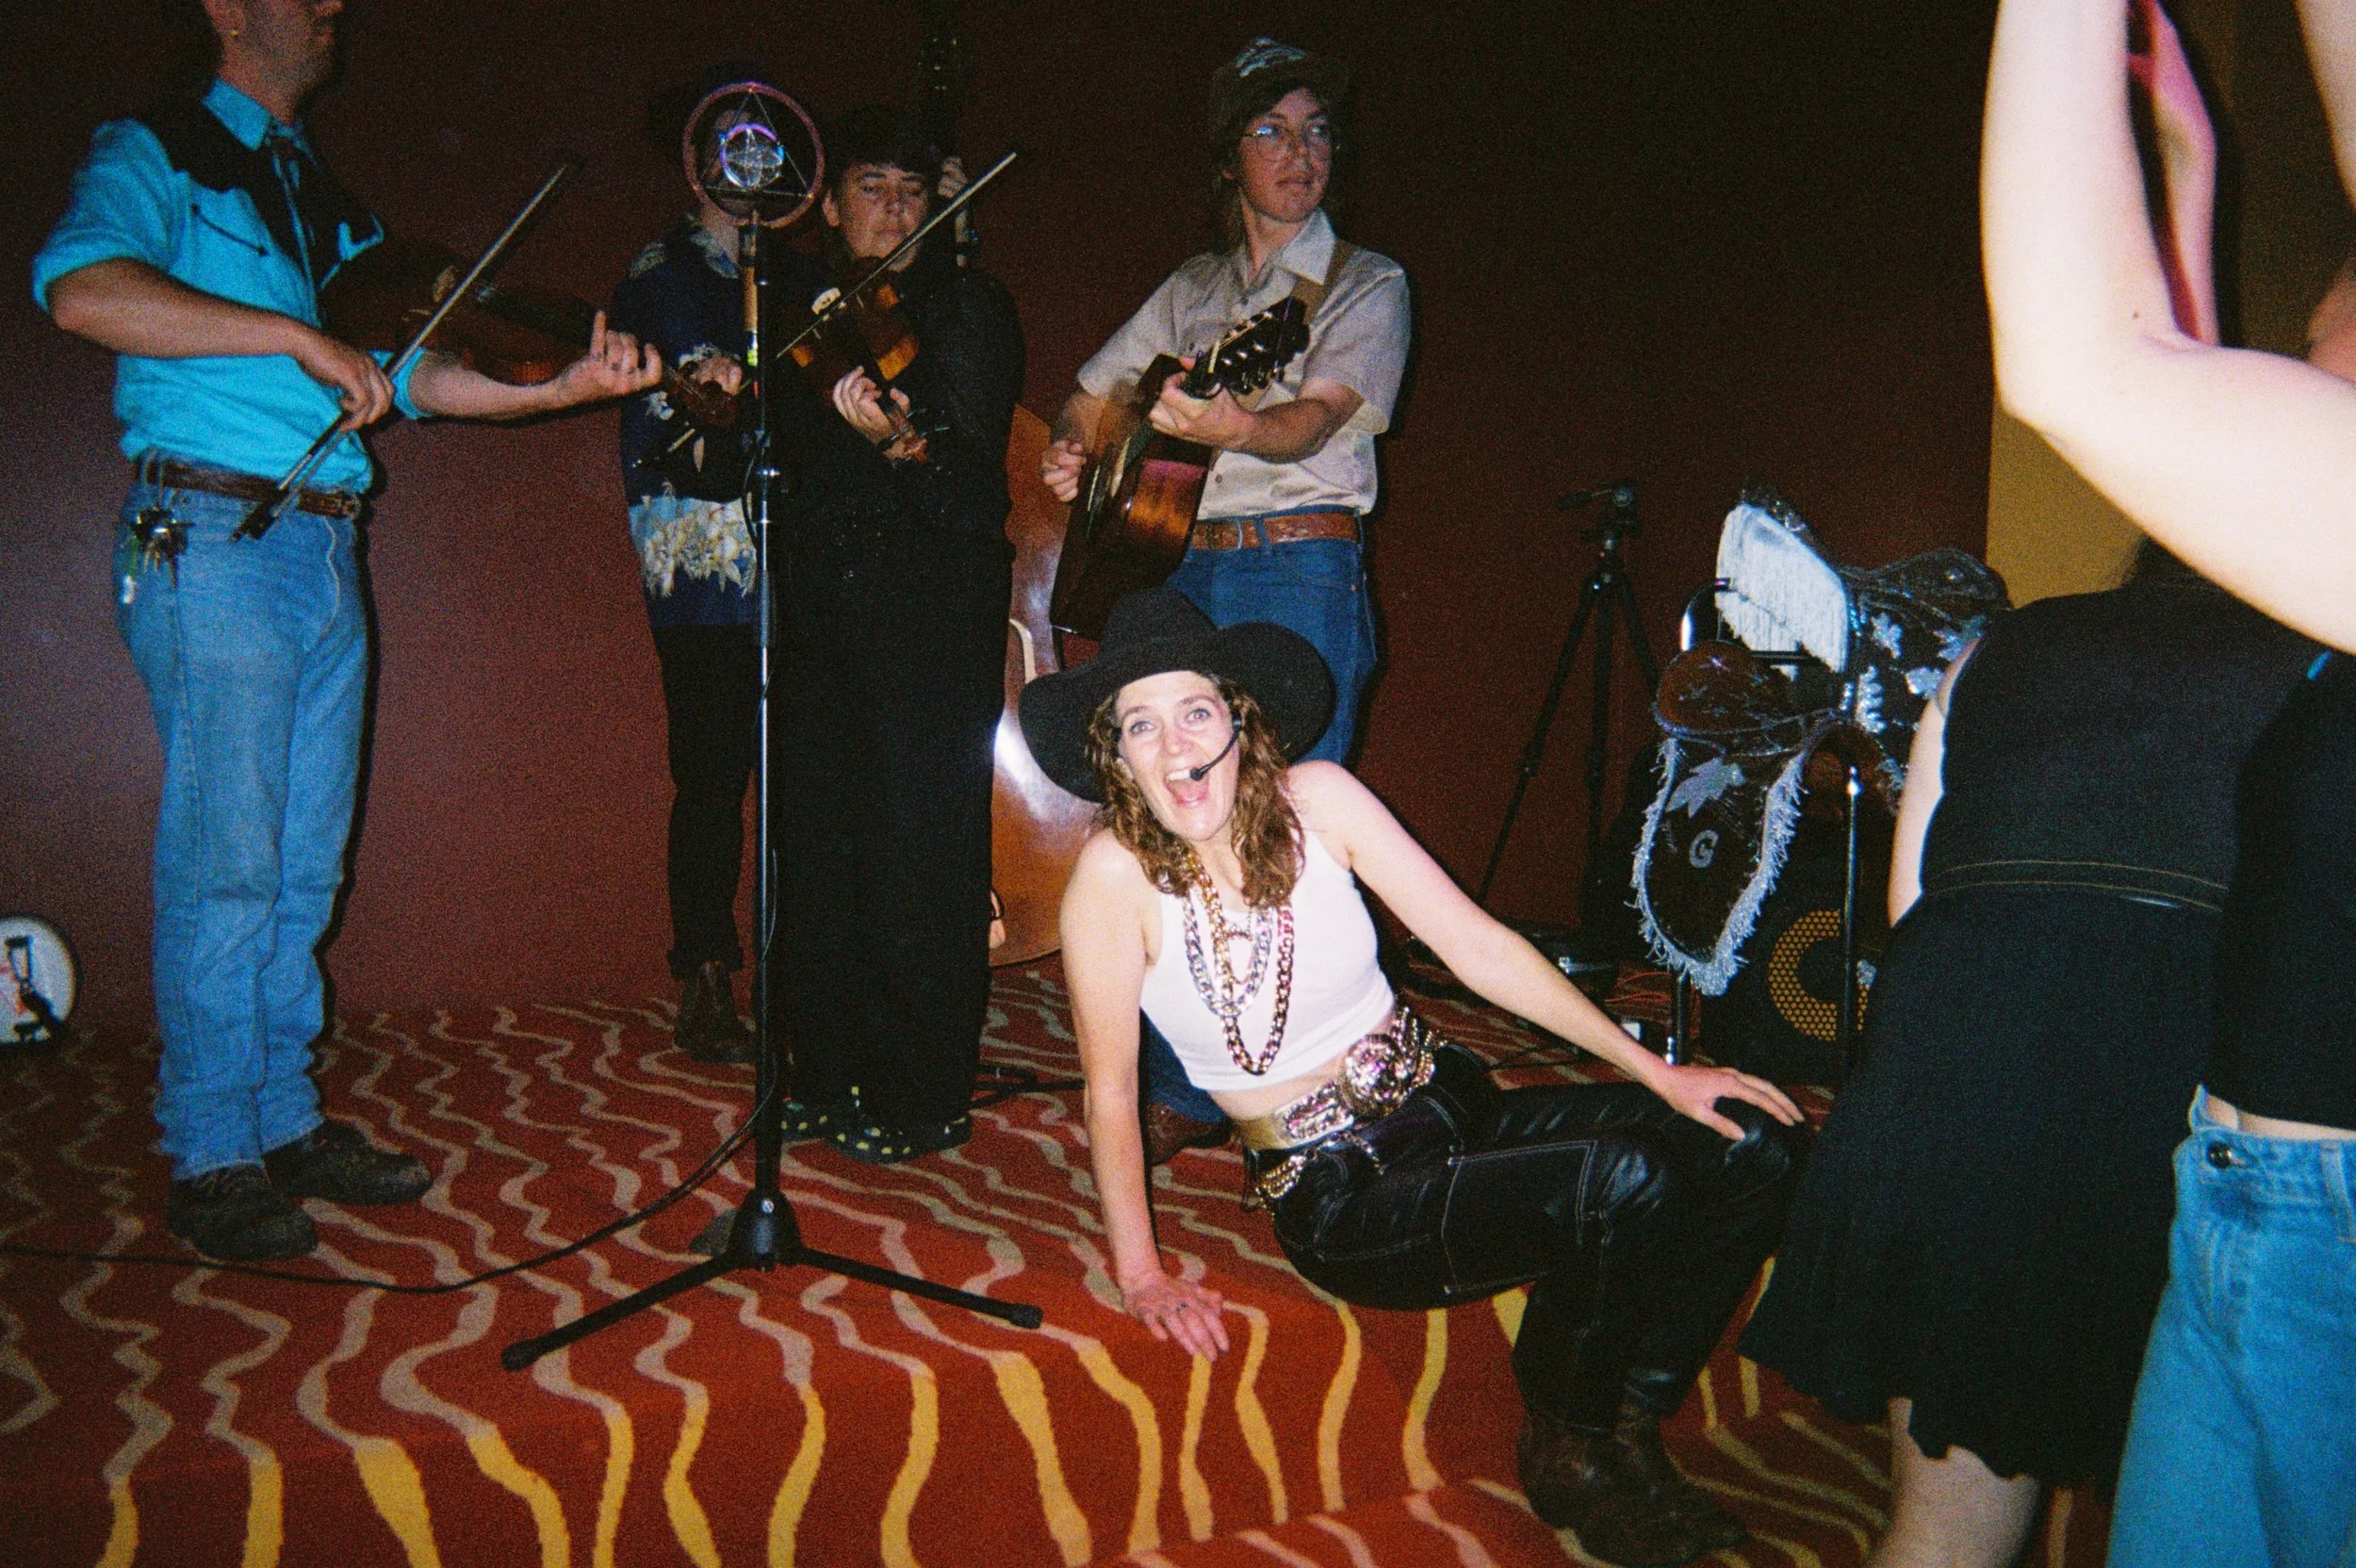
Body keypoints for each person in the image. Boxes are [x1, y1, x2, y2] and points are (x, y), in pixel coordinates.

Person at [32, 0, 660, 1263]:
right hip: (216, 532)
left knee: (304, 864)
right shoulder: (155, 149)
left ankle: (279, 1116)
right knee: (229, 864)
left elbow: (412, 372)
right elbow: (85, 291)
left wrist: (561, 388)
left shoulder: (318, 194)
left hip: (322, 543)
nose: (331, 7)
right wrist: (294, 333)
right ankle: (213, 1150)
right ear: (225, 7)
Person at [1017, 587, 1808, 1568]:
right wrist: (1139, 1271)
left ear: (1238, 720)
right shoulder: (1112, 877)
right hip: (1339, 1191)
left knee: (1754, 1140)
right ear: (1118, 755)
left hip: (1448, 1103)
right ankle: (1568, 1447)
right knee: (1623, 1178)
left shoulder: (1320, 800)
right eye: (1141, 724)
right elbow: (1110, 1089)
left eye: (1196, 711)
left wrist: (1659, 1072)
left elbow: (1479, 947)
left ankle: (1627, 1421)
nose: (1175, 746)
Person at [1736, 546, 2316, 1567]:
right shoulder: (2324, 658)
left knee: (1945, 1532)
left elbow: (1910, 908)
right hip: (2167, 1062)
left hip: (1950, 1057)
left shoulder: (1993, 647)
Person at [1982, 0, 2356, 1563]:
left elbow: (2102, 365)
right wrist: (2187, 152)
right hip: (2247, 1188)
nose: (2303, 351)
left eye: (2330, 327)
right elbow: (2176, 362)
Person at [1040, 38, 1411, 1165]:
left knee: (1286, 827)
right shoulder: (1191, 291)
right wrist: (1075, 450)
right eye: (1271, 130)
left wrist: (1236, 425)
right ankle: (1183, 1086)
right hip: (1173, 563)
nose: (1301, 152)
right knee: (1168, 821)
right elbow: (1091, 399)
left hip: (1296, 561)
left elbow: (1311, 420)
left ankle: (1323, 1089)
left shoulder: (1365, 283)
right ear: (1227, 159)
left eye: (1317, 130)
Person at [765, 106, 1023, 1164]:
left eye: (914, 192)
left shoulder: (967, 306)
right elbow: (764, 450)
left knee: (921, 842)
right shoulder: (798, 316)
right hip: (822, 600)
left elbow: (967, 467)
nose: (896, 209)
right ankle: (822, 1070)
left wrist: (904, 441)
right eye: (872, 188)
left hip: (929, 605)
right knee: (819, 835)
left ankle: (920, 1091)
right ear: (829, 206)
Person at [606, 67, 818, 1067]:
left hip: (800, 550)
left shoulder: (798, 275)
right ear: (696, 161)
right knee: (712, 770)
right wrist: (720, 385)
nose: (751, 164)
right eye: (732, 144)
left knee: (802, 771)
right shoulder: (660, 271)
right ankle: (703, 972)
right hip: (704, 562)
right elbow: (682, 405)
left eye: (765, 146)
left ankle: (799, 972)